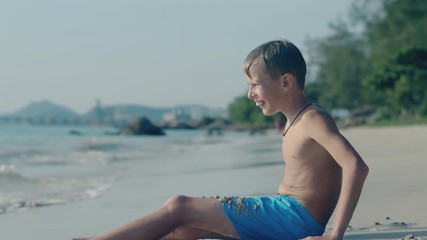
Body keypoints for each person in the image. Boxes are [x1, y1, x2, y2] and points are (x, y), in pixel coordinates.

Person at [73, 39, 369, 240]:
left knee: (179, 206)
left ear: (286, 82)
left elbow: (356, 166)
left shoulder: (313, 119)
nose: (250, 93)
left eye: (254, 84)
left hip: (294, 219)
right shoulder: (295, 119)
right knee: (186, 227)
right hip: (283, 211)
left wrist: (334, 235)